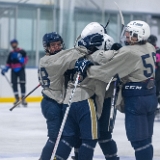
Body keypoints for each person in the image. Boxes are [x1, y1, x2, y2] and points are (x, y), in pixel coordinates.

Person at [78, 20, 158, 160]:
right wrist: (119, 50)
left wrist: (87, 68)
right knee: (146, 139)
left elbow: (105, 71)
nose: (126, 36)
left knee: (139, 142)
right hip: (150, 96)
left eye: (130, 34)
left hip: (137, 99)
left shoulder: (128, 52)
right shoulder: (150, 47)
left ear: (139, 35)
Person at [38, 32, 89, 160]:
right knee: (55, 138)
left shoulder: (46, 59)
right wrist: (84, 47)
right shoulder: (54, 61)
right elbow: (72, 56)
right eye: (53, 45)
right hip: (52, 104)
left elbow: (65, 59)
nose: (57, 47)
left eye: (59, 44)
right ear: (47, 47)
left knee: (72, 133)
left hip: (55, 101)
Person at [1, 39, 28, 106]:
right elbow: (8, 63)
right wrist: (5, 69)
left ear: (17, 43)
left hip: (21, 69)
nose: (13, 44)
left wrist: (21, 59)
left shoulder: (22, 51)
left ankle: (23, 99)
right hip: (13, 70)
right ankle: (17, 99)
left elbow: (26, 59)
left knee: (22, 83)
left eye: (14, 43)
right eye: (12, 43)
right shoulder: (11, 53)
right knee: (14, 84)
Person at [148, 35, 160, 102]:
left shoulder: (158, 50)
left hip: (157, 73)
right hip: (150, 73)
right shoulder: (147, 50)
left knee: (156, 90)